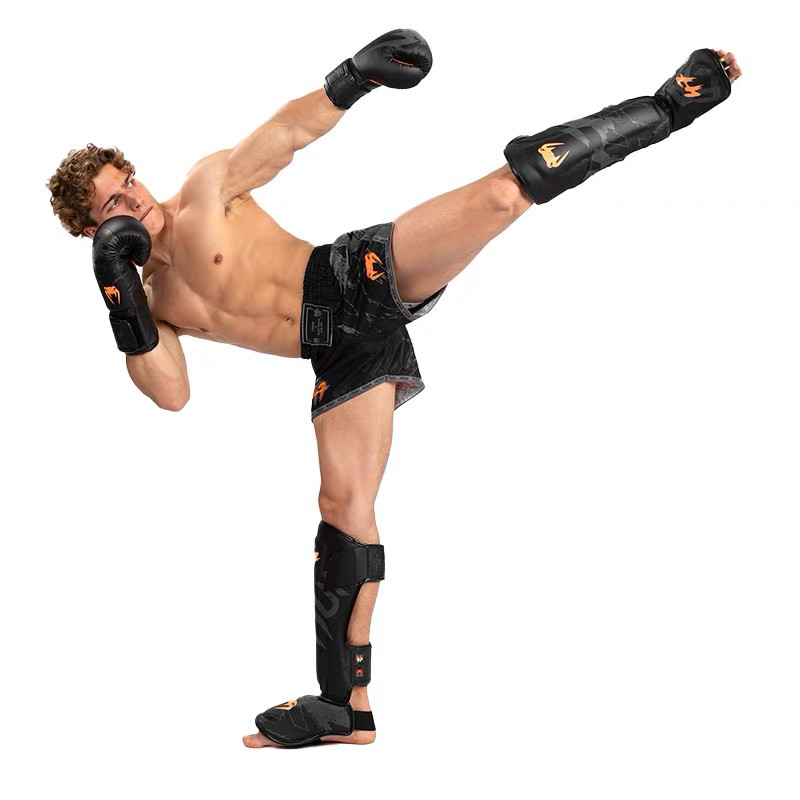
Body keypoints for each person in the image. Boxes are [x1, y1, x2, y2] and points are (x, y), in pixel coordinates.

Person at [47, 29, 741, 748]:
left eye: (126, 183)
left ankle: (673, 102)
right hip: (338, 353)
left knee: (504, 193)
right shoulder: (149, 302)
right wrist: (119, 298)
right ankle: (344, 709)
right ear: (93, 232)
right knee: (342, 513)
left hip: (355, 277)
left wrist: (353, 79)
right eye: (110, 206)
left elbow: (282, 136)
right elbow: (171, 394)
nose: (131, 201)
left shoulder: (204, 190)